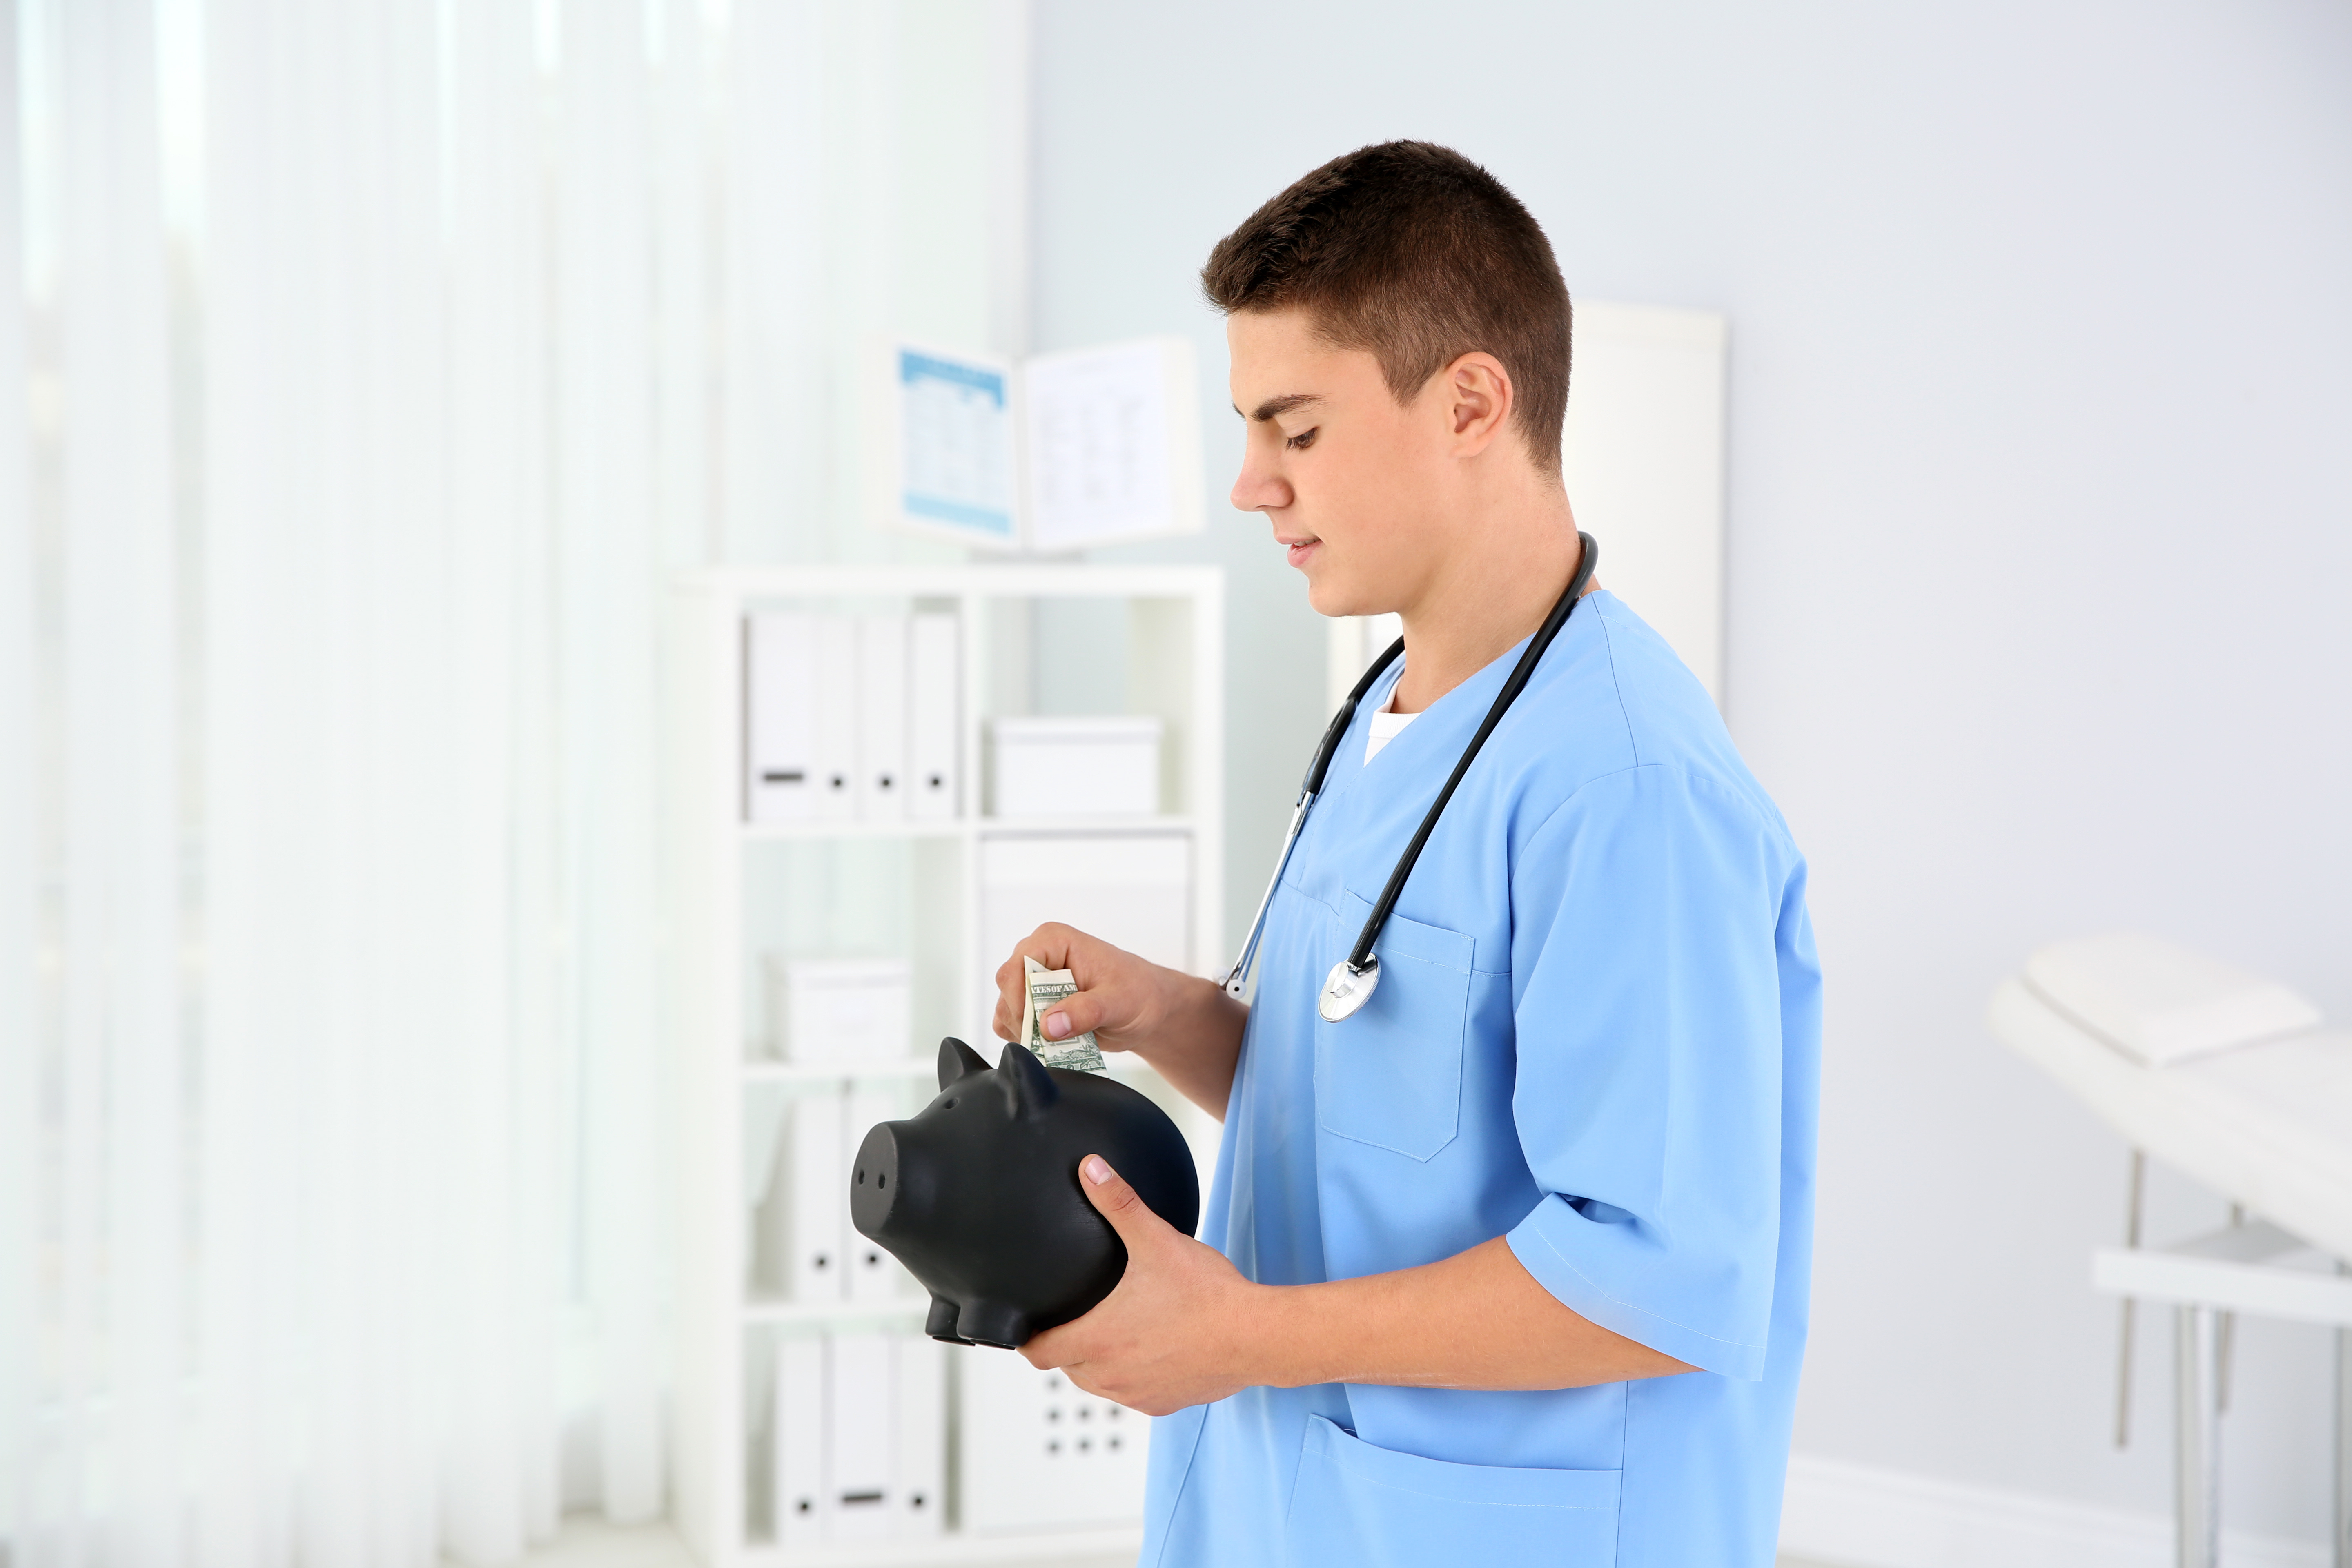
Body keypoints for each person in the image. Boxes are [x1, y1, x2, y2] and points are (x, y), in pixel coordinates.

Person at [991, 140, 1820, 1568]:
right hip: (1293, 1504)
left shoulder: (1624, 788)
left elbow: (1659, 1280)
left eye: (1295, 430)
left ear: (1472, 403)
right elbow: (1395, 1110)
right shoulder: (1390, 707)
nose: (1252, 483)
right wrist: (1177, 1018)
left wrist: (1241, 1334)